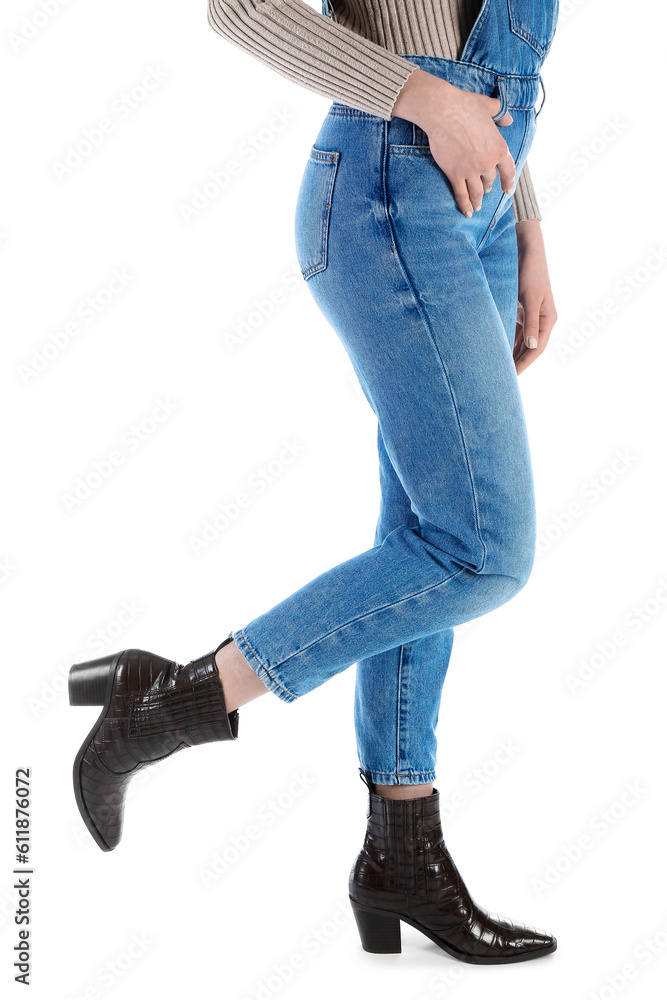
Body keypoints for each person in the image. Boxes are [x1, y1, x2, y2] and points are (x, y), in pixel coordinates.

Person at [68, 0, 559, 965]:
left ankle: (400, 853)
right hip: (390, 189)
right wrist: (419, 93)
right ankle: (171, 701)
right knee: (483, 551)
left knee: (421, 541)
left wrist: (529, 222)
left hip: (485, 201)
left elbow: (488, 53)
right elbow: (238, 9)